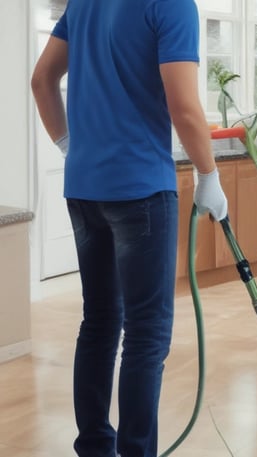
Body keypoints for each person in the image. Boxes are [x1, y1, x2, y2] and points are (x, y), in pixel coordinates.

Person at [30, 0, 226, 455]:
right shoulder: (172, 5)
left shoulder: (84, 4)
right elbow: (184, 106)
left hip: (83, 188)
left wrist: (67, 145)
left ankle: (96, 448)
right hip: (140, 189)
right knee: (146, 333)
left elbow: (42, 80)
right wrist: (209, 175)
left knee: (99, 322)